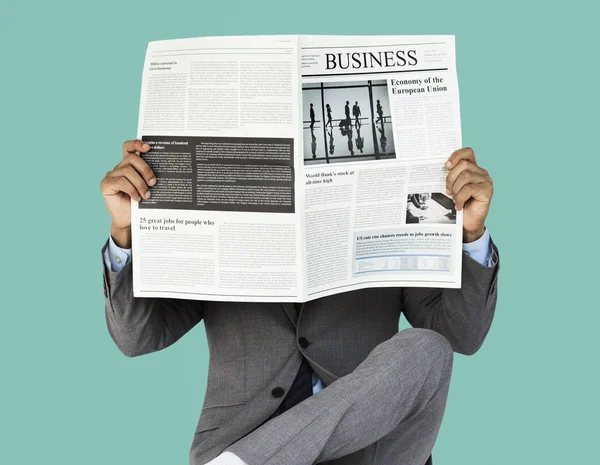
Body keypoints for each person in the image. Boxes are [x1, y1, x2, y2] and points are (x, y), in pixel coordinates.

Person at [100, 142, 498, 465]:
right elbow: (137, 338)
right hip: (243, 433)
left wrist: (471, 233)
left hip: (372, 447)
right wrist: (125, 233)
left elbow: (460, 335)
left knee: (428, 348)